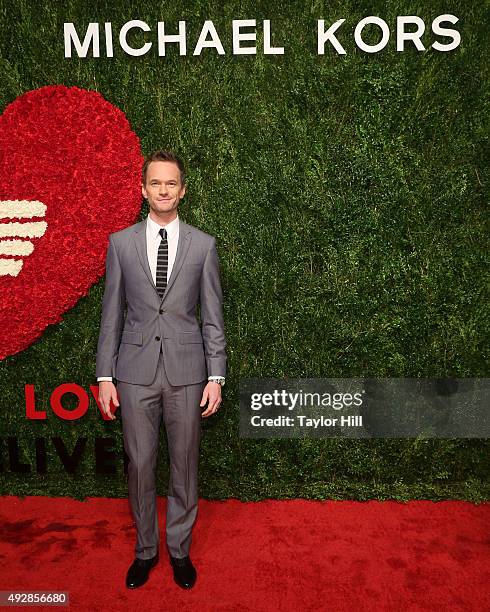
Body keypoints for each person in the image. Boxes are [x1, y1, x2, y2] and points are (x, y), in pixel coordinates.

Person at [95, 150, 227, 590]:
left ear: (182, 190)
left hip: (189, 373)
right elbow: (111, 314)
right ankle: (146, 551)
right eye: (156, 183)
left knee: (185, 464)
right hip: (133, 374)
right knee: (140, 465)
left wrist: (216, 376)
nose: (164, 190)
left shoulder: (203, 245)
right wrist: (104, 377)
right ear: (143, 189)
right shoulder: (120, 243)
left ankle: (179, 550)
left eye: (171, 183)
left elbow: (212, 317)